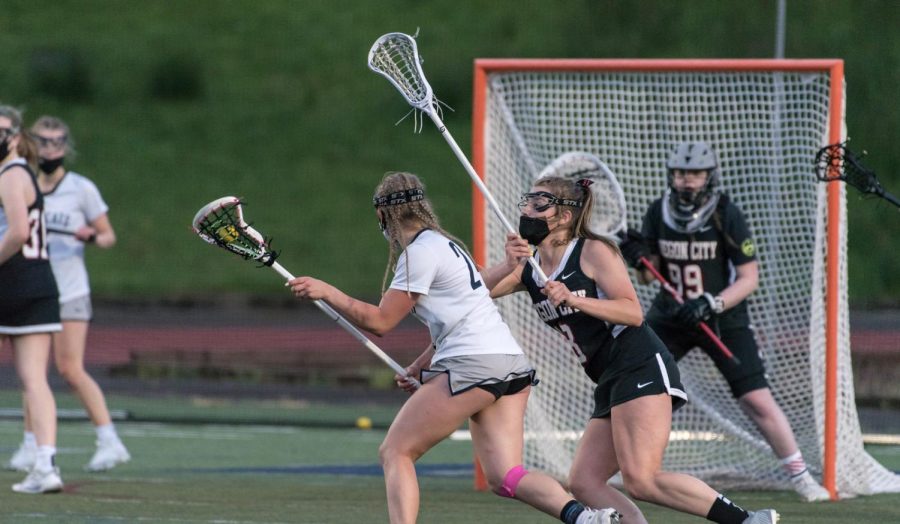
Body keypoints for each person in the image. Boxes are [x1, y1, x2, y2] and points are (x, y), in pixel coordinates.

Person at [288, 171, 621, 524]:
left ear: (382, 215)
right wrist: (420, 364)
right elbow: (464, 313)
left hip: (472, 366)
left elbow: (380, 322)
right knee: (506, 477)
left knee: (396, 452)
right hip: (509, 364)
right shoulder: (446, 245)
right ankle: (587, 519)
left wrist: (328, 292)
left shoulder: (418, 254)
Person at [482, 174, 779, 524]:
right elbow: (472, 292)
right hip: (608, 377)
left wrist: (575, 300)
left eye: (540, 204)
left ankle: (746, 521)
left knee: (642, 478)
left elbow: (633, 312)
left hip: (638, 364)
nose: (528, 210)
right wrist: (507, 265)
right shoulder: (529, 268)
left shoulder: (593, 251)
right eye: (529, 201)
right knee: (585, 482)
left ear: (563, 216)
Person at [617, 140, 830, 503]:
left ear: (709, 177)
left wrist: (711, 303)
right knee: (635, 386)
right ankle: (625, 466)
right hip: (671, 315)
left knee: (756, 399)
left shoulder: (726, 213)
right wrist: (639, 259)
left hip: (723, 318)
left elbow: (749, 277)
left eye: (695, 174)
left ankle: (800, 475)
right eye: (682, 174)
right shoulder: (658, 211)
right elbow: (650, 278)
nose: (687, 181)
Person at [6, 116, 130, 473]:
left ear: (66, 146)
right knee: (32, 372)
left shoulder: (81, 188)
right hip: (31, 288)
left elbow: (108, 236)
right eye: (44, 141)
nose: (50, 149)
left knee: (69, 369)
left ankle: (109, 439)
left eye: (58, 142)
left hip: (69, 289)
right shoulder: (21, 181)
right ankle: (32, 445)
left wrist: (88, 235)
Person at [0, 105, 64, 494]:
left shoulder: (10, 175)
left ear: (14, 135)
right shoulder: (23, 173)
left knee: (34, 379)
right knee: (34, 379)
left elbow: (19, 232)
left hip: (14, 282)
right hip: (39, 282)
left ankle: (43, 465)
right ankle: (46, 465)